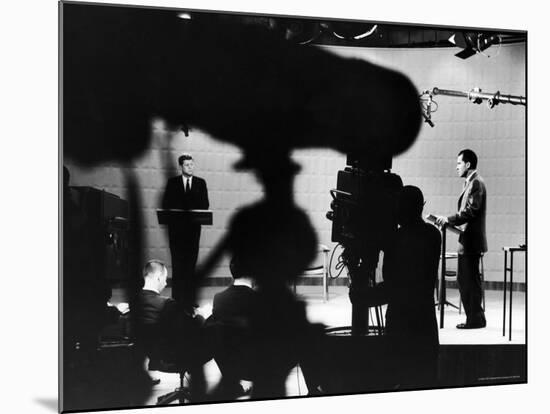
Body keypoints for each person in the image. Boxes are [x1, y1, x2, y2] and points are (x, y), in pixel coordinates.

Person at [382, 186, 441, 387]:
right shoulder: (433, 235)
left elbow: (392, 284)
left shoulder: (395, 239)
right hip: (425, 324)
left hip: (400, 324)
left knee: (398, 380)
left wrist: (364, 297)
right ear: (421, 207)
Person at [133, 260, 211, 400]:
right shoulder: (166, 304)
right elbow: (189, 329)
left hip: (154, 357)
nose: (166, 283)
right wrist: (200, 315)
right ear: (158, 278)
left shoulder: (135, 303)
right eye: (165, 278)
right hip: (174, 356)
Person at [435, 149, 487, 329]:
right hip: (468, 241)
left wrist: (448, 219)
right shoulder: (470, 183)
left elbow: (470, 212)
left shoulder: (476, 183)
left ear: (468, 164)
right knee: (467, 280)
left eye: (459, 163)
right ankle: (476, 318)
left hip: (471, 242)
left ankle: (475, 319)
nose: (456, 167)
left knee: (468, 281)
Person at [162, 153, 209, 310]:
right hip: (176, 231)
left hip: (193, 231)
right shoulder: (172, 182)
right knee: (177, 264)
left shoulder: (200, 183)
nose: (190, 167)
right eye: (187, 165)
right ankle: (176, 298)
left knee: (190, 265)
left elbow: (205, 204)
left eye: (192, 164)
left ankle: (189, 299)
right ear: (181, 166)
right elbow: (165, 203)